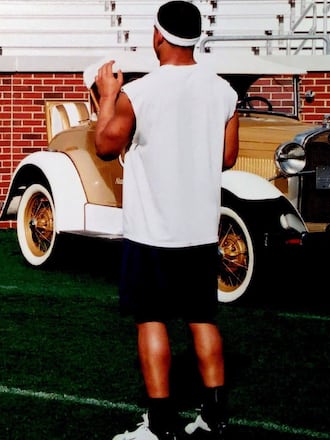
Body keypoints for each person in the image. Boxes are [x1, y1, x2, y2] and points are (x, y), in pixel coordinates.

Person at [93, 1, 239, 439]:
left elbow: (104, 145)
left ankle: (159, 427)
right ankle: (214, 419)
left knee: (151, 320)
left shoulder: (141, 92)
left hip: (153, 231)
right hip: (198, 229)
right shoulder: (223, 91)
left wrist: (106, 98)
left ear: (158, 36)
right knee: (203, 319)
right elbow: (227, 158)